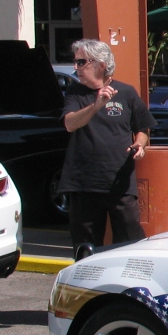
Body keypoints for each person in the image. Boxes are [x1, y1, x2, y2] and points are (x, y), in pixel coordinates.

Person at [59, 39, 154, 255]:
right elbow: (70, 123)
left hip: (119, 182)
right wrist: (96, 106)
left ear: (100, 65)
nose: (76, 68)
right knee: (85, 249)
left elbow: (143, 128)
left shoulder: (126, 93)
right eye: (75, 62)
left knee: (130, 243)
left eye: (81, 62)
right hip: (83, 183)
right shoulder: (75, 93)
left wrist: (139, 145)